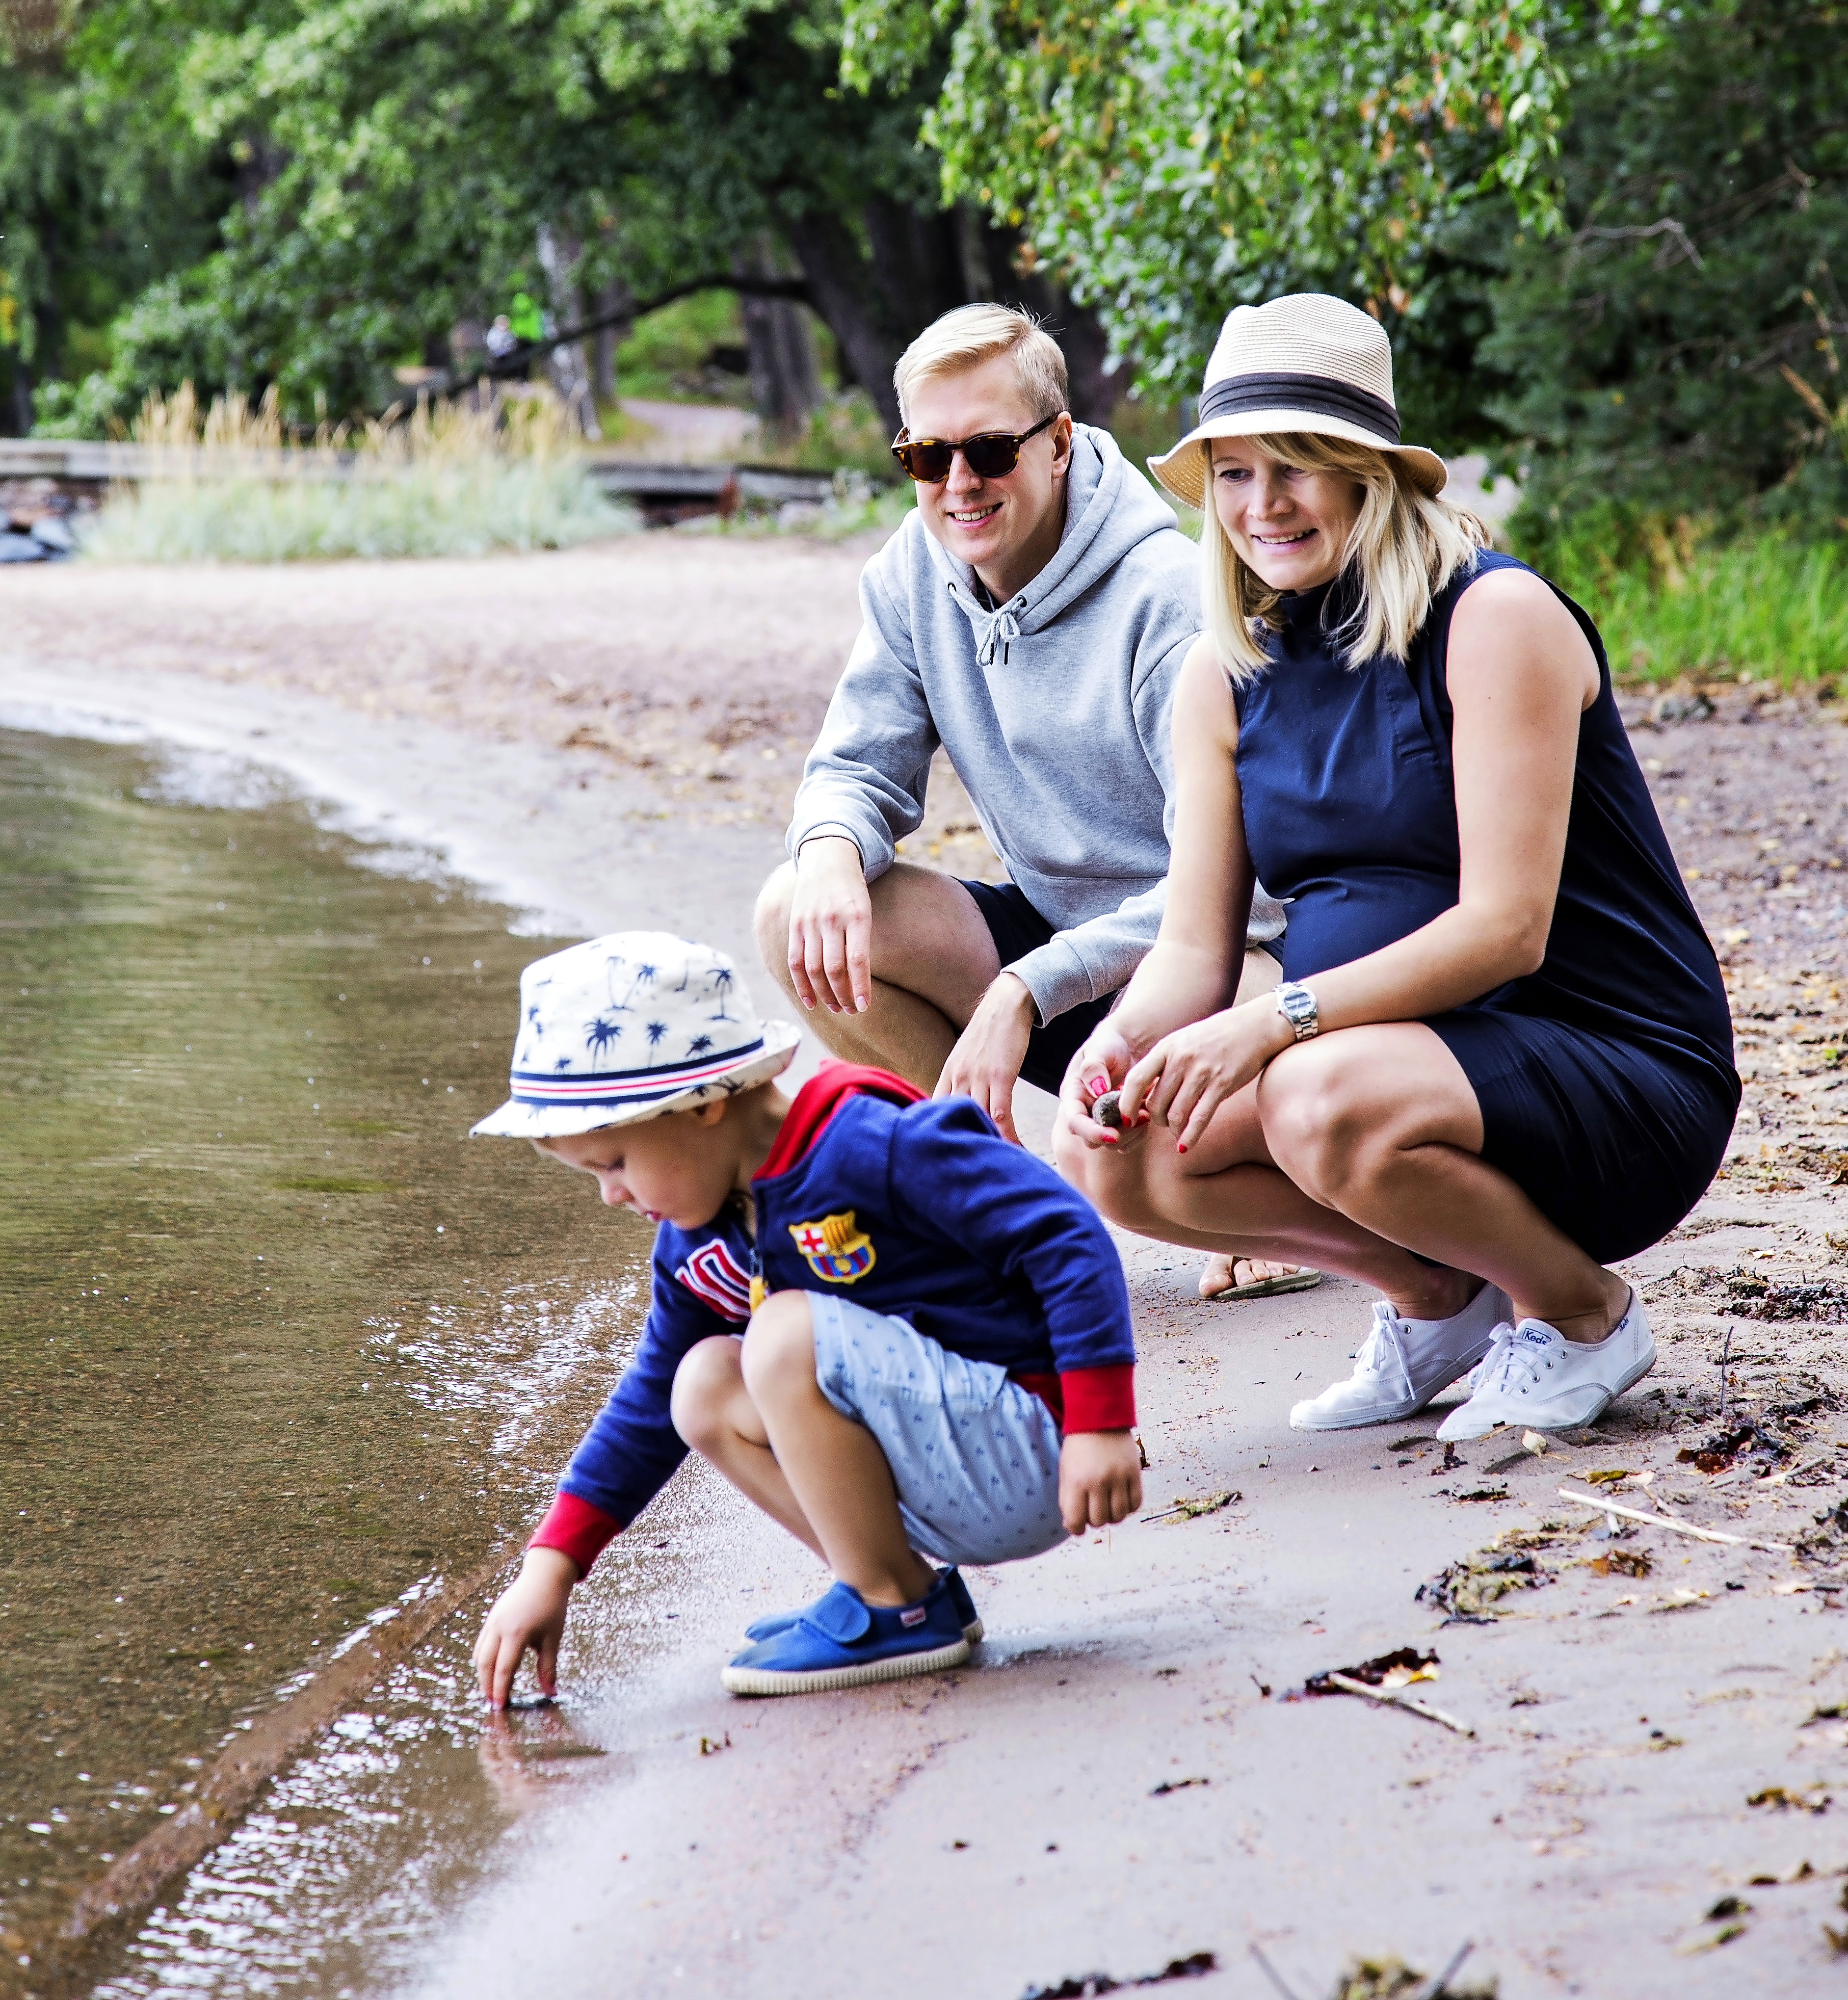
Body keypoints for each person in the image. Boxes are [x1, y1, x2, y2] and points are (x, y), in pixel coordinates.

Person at [1053, 293, 1739, 1439]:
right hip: (1390, 1073)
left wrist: (1276, 1023)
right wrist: (1126, 1042)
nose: (1261, 504)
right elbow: (1191, 947)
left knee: (1315, 1095)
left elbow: (1504, 931)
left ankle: (1581, 1315)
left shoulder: (1494, 615)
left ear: (1368, 471)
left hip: (1612, 1066)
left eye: (1295, 466)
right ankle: (1436, 1298)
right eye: (1231, 472)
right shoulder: (1219, 675)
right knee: (1121, 1152)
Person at [755, 304, 1292, 1300]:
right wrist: (829, 847)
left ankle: (1274, 1210)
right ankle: (1008, 1202)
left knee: (1215, 1059)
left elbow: (1240, 897)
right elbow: (853, 764)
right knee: (797, 911)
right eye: (927, 454)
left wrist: (1027, 989)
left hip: (1216, 957)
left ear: (1055, 443)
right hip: (1059, 952)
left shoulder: (1166, 598)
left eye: (990, 449)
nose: (958, 482)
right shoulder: (914, 569)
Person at [470, 931, 1141, 1704]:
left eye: (614, 1162)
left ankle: (896, 1607)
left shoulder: (864, 1143)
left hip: (1036, 1451)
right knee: (696, 1383)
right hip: (945, 1464)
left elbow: (1061, 1229)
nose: (611, 1194)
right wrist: (552, 1563)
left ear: (705, 1105)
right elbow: (646, 1402)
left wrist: (1099, 1422)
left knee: (784, 1332)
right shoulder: (697, 1238)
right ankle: (892, 1584)